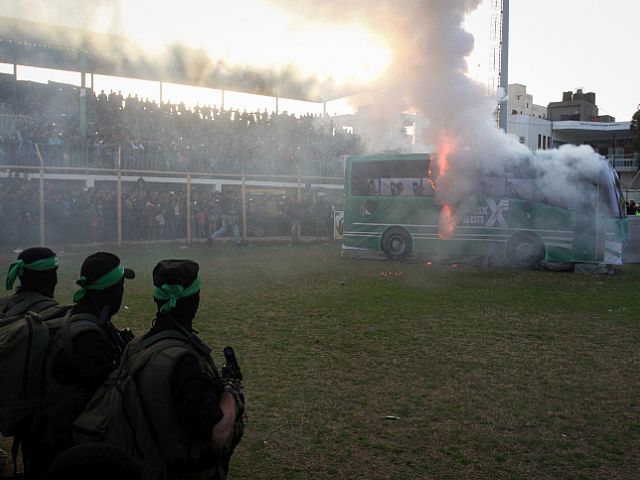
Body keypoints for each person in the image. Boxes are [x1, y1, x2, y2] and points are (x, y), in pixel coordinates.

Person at [123, 259, 244, 479]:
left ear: (156, 299)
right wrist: (231, 390)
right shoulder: (184, 361)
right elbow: (216, 433)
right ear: (194, 300)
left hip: (142, 462)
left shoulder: (134, 347)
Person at [20, 251, 135, 479]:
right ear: (112, 290)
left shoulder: (78, 317)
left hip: (48, 441)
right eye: (121, 286)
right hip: (65, 450)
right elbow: (106, 398)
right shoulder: (88, 337)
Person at [1, 247, 61, 317]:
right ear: (46, 277)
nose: (55, 280)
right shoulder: (52, 313)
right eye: (53, 272)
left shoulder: (3, 304)